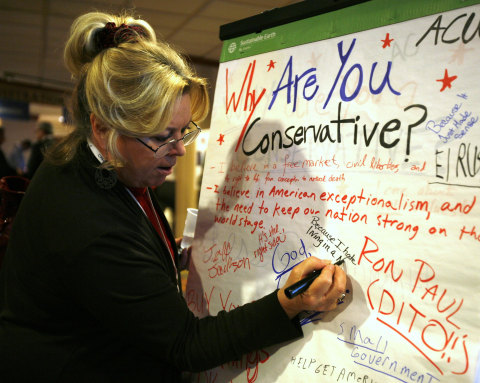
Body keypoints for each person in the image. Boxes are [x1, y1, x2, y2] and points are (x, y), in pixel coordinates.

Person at [0, 11, 346, 382]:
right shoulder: (85, 220)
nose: (180, 150)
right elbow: (187, 344)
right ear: (102, 128)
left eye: (184, 130)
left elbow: (122, 245)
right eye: (162, 136)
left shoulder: (94, 162)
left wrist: (168, 256)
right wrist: (289, 303)